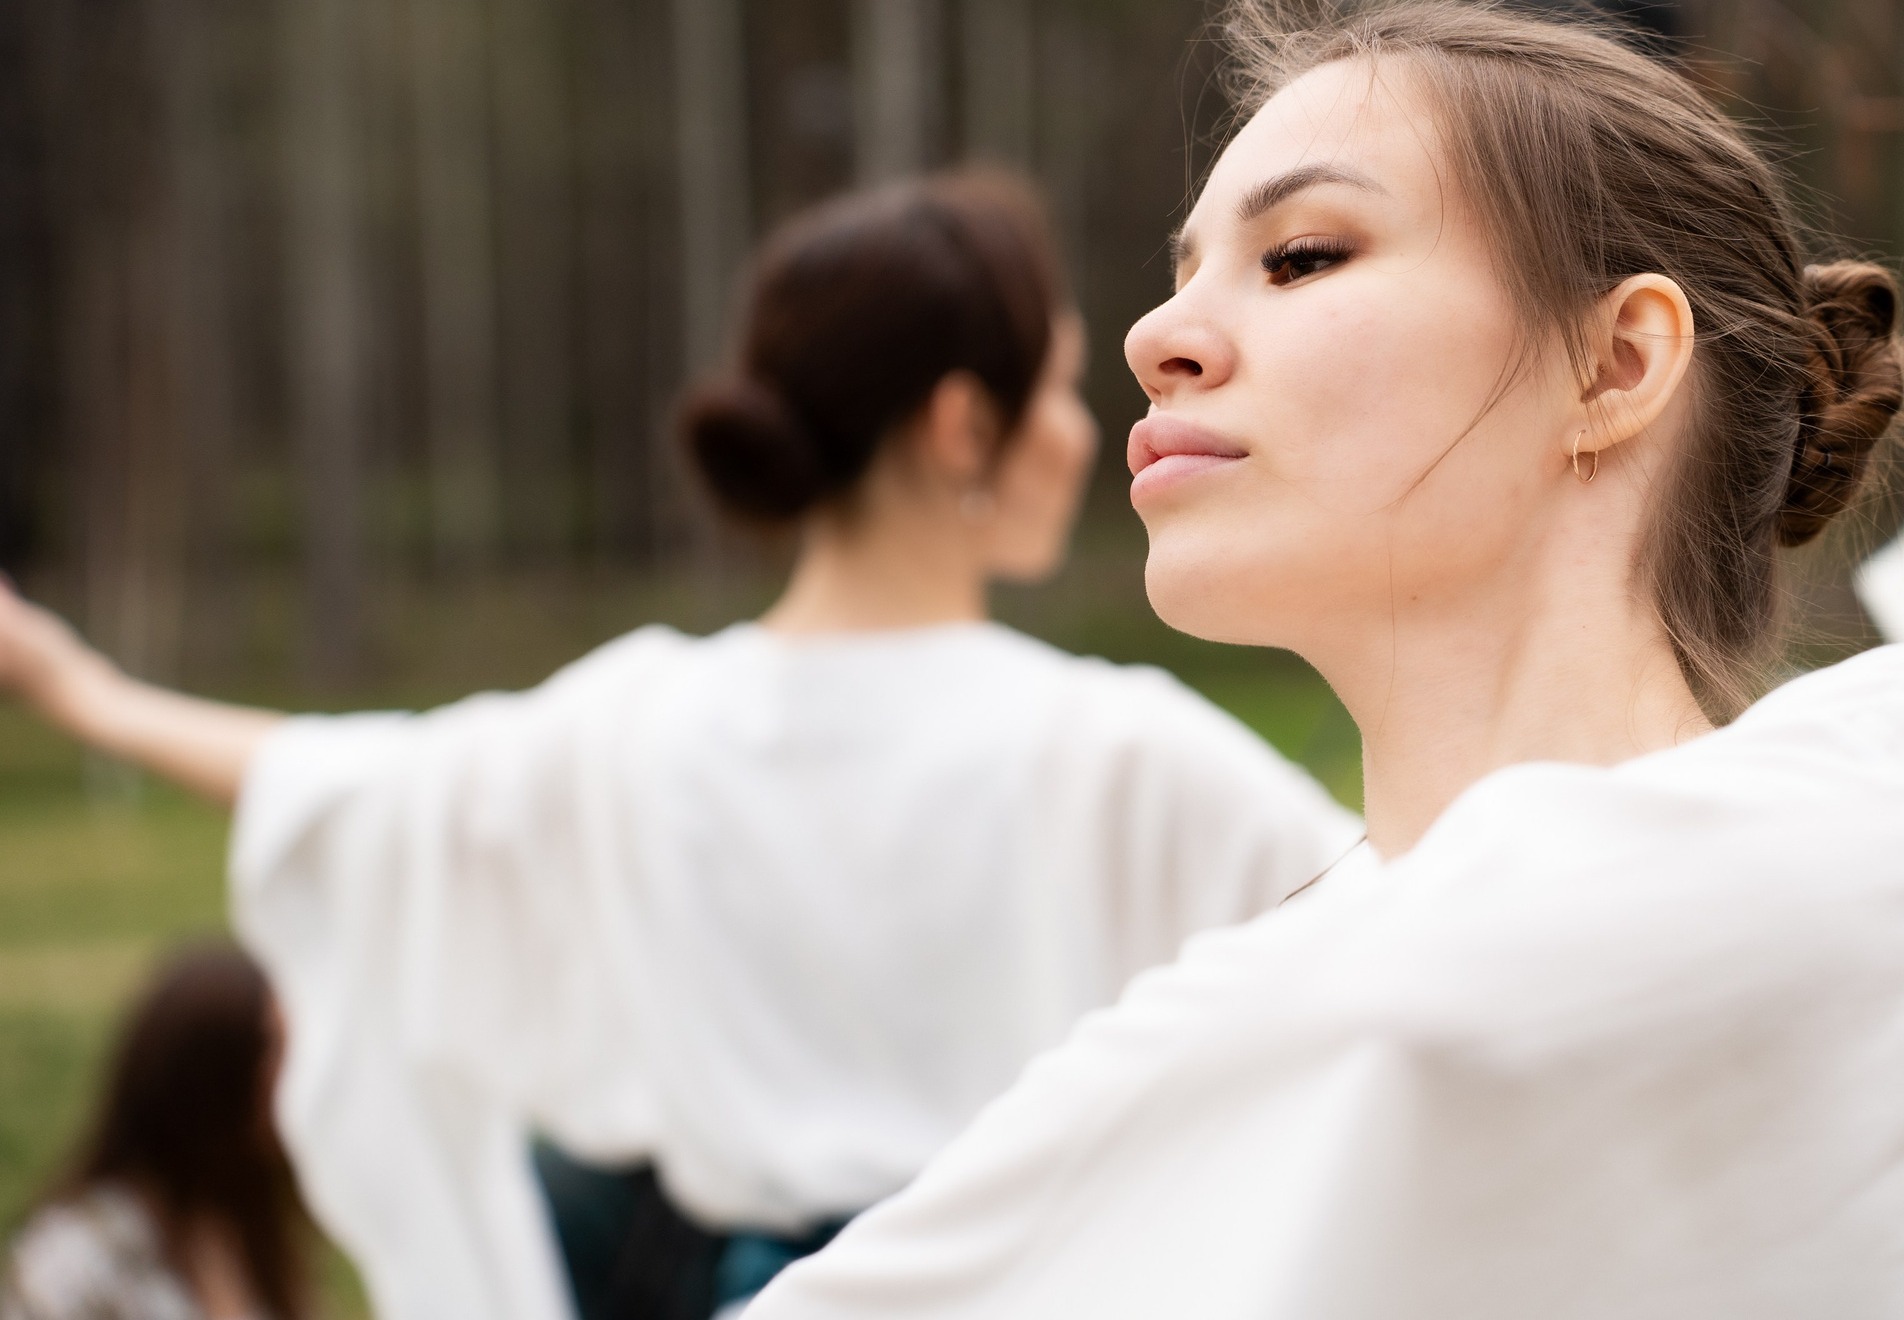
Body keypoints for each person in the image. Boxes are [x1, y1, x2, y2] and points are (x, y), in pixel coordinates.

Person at [746, 0, 1904, 1319]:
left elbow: (1463, 989)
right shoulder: (1250, 1009)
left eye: (1300, 255)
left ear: (1616, 363)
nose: (1157, 333)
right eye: (1184, 267)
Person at [0, 172, 1361, 1320]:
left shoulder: (638, 722)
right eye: (1058, 384)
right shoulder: (1122, 750)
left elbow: (345, 780)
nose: (1080, 428)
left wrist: (82, 686)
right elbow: (1409, 919)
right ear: (960, 421)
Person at [2, 945, 309, 1320]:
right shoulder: (74, 1262)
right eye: (274, 1051)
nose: (303, 1079)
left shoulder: (244, 1235)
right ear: (211, 1082)